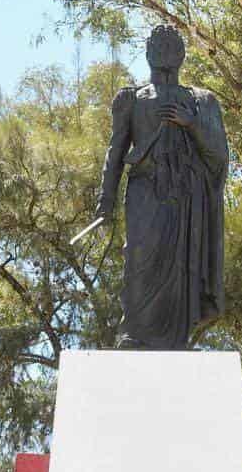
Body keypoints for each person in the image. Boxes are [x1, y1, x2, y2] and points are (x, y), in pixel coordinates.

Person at [96, 24, 228, 350]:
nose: (166, 53)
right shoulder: (131, 99)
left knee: (181, 266)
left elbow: (219, 155)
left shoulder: (202, 101)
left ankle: (175, 339)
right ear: (148, 53)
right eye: (159, 46)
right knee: (139, 257)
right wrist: (106, 199)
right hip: (145, 191)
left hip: (185, 197)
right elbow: (115, 151)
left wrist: (192, 123)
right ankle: (135, 334)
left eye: (173, 47)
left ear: (182, 54)